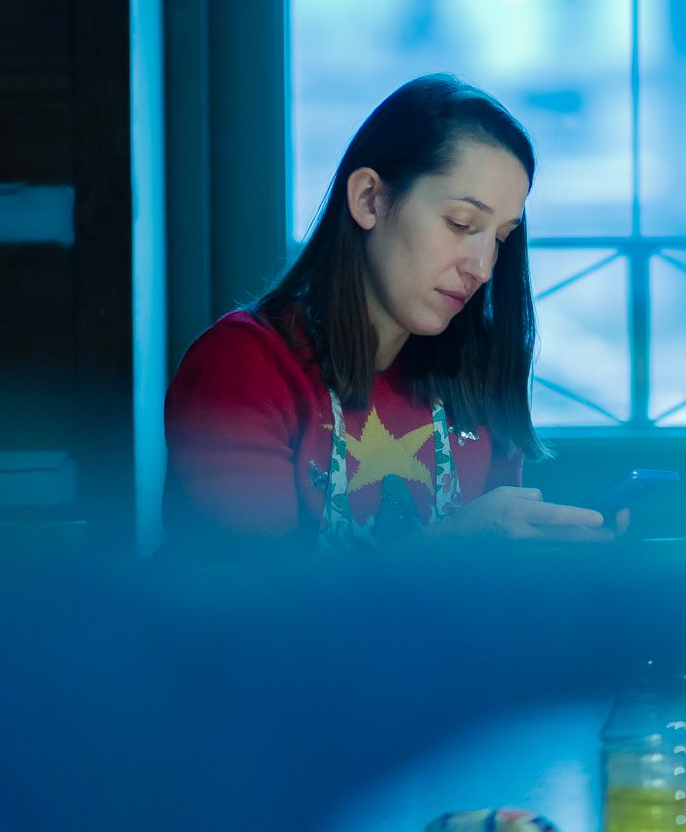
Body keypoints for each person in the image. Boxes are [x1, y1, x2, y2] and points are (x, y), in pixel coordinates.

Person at [164, 74, 610, 550]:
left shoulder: (476, 364)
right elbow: (261, 590)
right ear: (368, 199)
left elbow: (494, 577)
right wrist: (447, 546)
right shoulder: (243, 366)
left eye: (500, 238)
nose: (482, 268)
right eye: (460, 224)